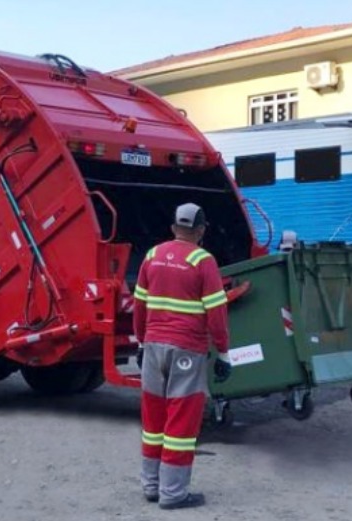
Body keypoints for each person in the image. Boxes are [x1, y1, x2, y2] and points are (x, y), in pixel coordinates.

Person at [132, 202, 232, 510]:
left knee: (153, 419)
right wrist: (224, 352)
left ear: (174, 228)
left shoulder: (152, 256)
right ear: (200, 231)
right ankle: (173, 494)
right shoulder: (203, 261)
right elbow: (216, 313)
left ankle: (151, 486)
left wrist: (141, 342)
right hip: (187, 348)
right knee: (181, 422)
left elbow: (139, 306)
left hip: (153, 346)